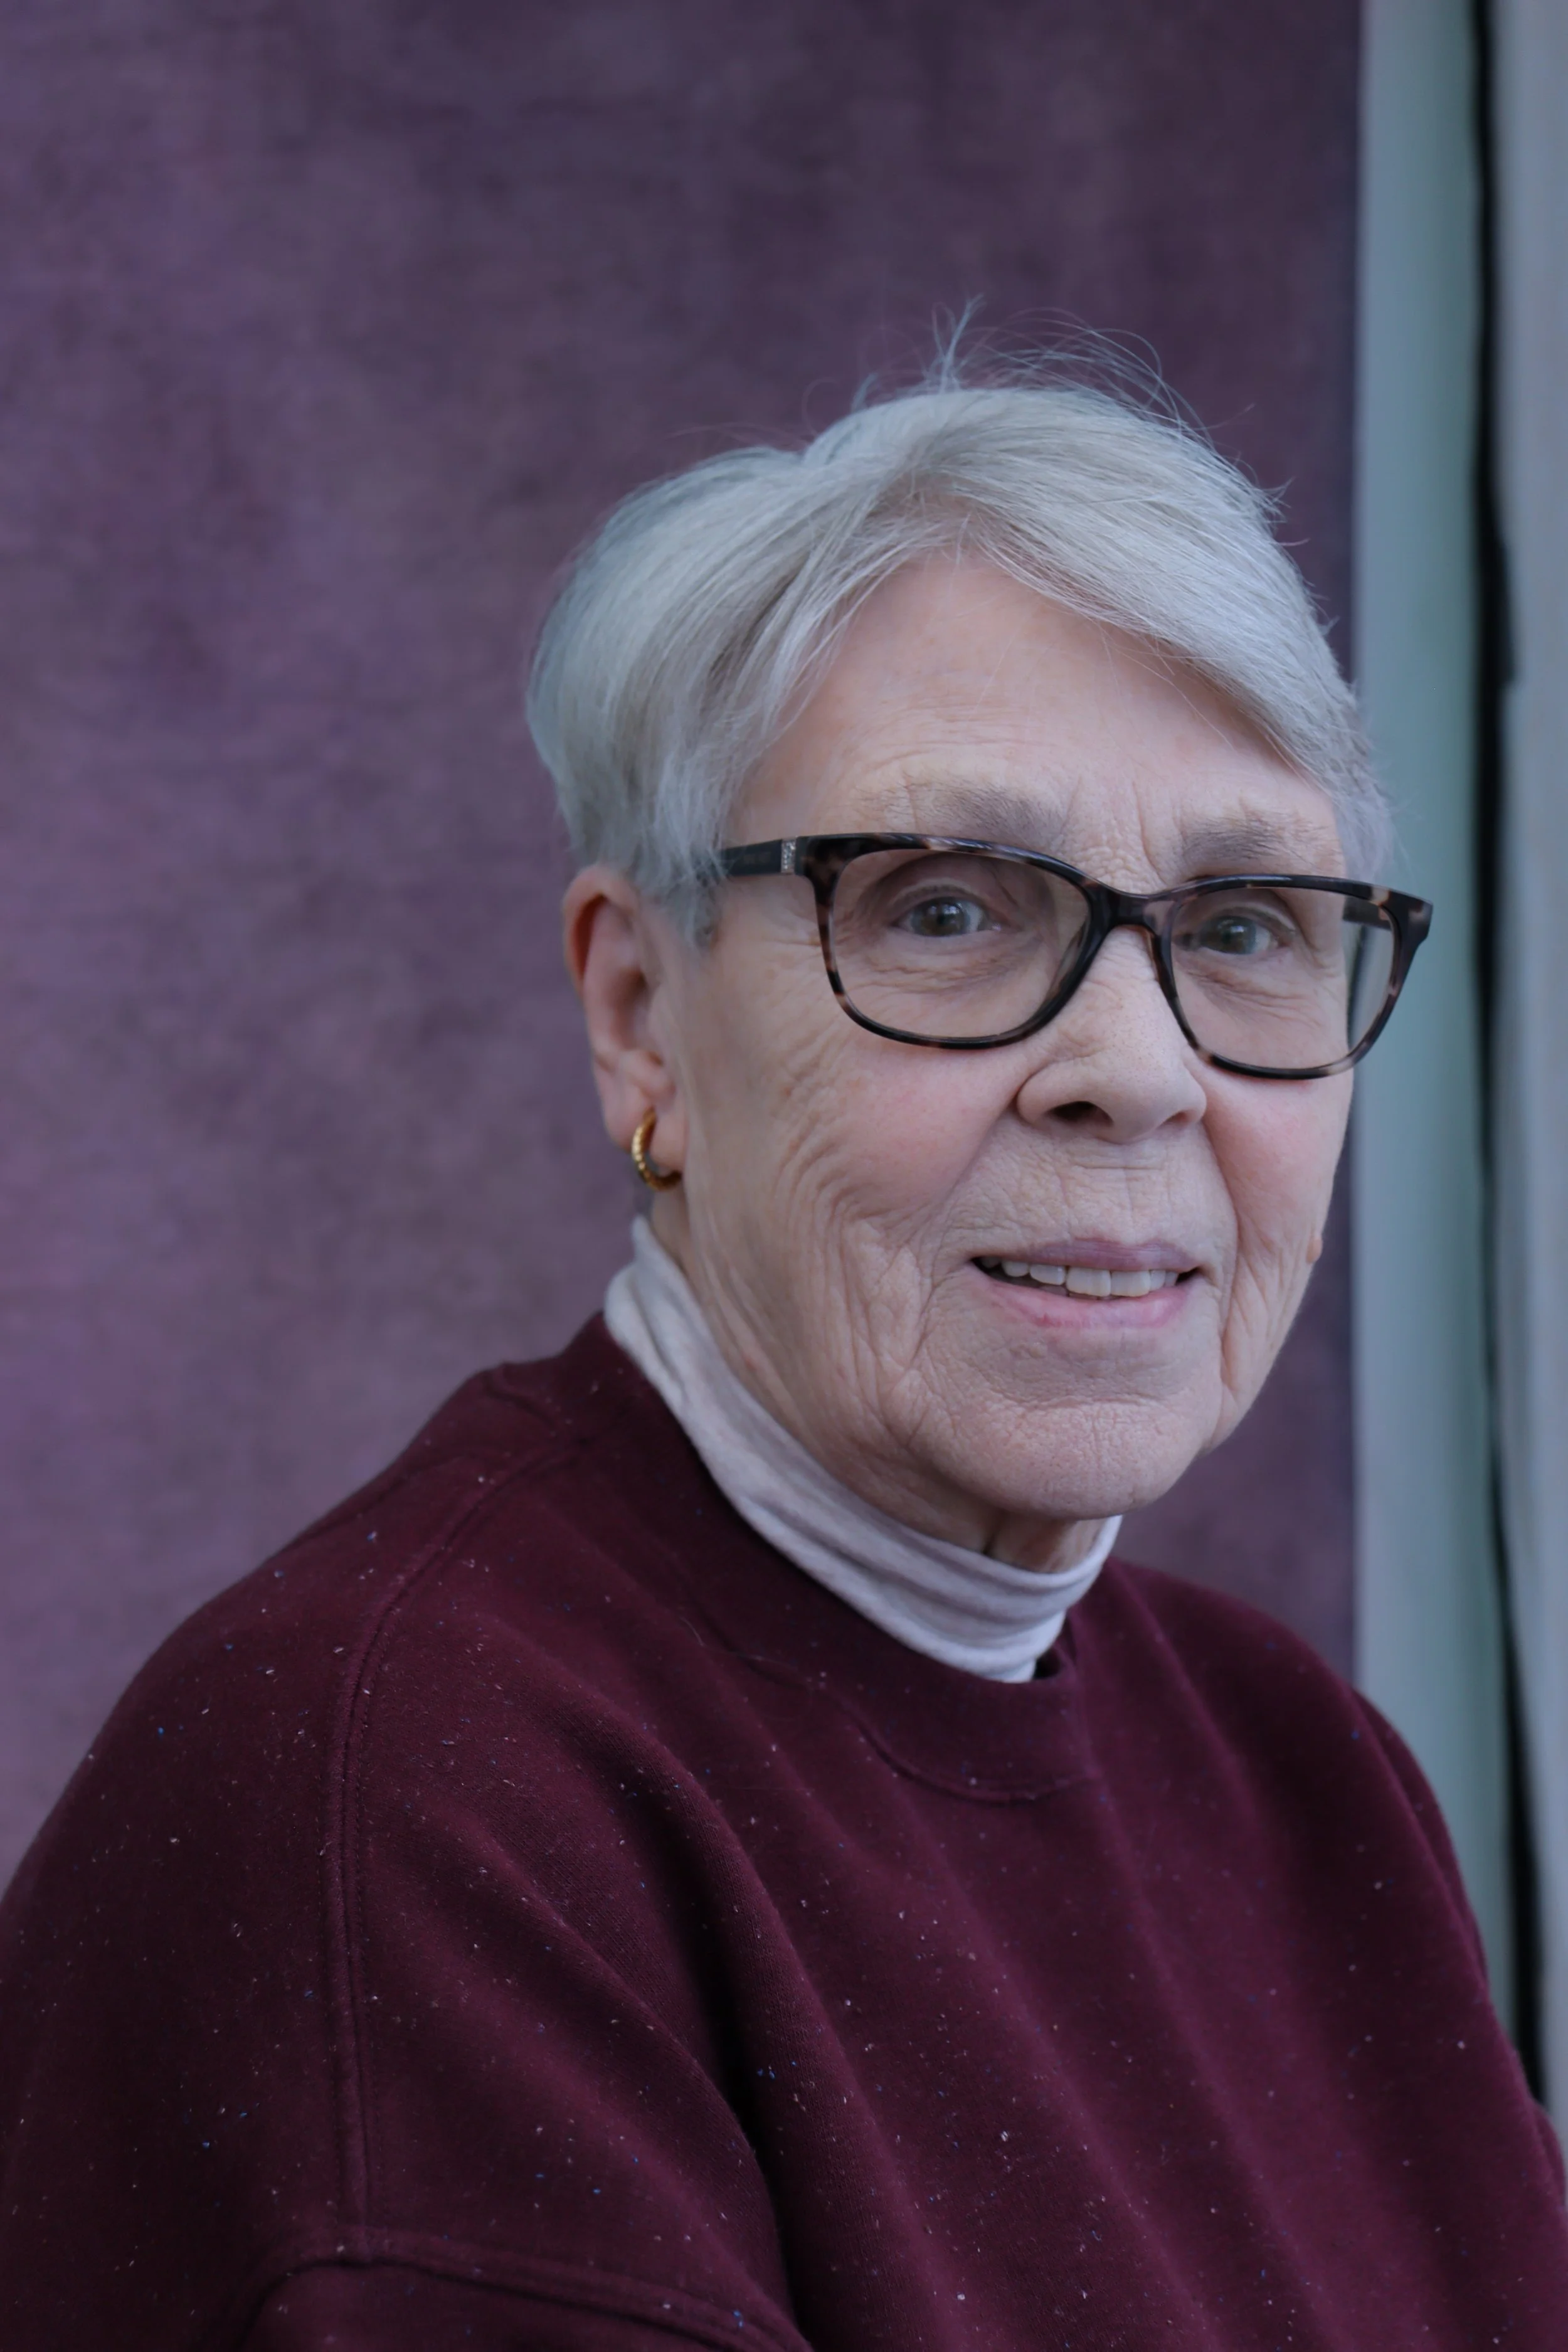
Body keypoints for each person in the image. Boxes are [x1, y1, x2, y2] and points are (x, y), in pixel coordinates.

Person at [1, 363, 1564, 2351]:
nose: (1139, 1071)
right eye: (944, 908)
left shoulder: (1297, 1773)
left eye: (1246, 923)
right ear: (643, 1020)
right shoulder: (388, 1792)